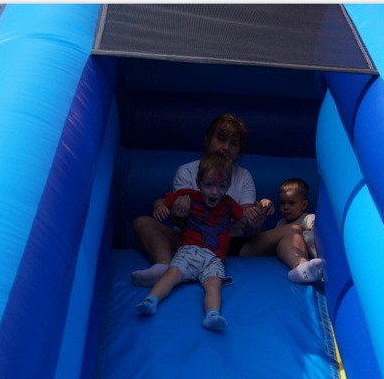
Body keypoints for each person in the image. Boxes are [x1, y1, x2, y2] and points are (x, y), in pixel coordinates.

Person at [131, 113, 323, 287]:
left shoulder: (243, 176)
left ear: (239, 149)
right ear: (208, 139)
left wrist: (255, 221)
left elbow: (247, 223)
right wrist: (178, 215)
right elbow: (181, 220)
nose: (225, 148)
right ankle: (163, 265)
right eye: (221, 139)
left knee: (293, 229)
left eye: (233, 144)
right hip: (190, 242)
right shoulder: (187, 171)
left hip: (233, 243)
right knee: (142, 222)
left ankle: (301, 268)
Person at [136, 152, 245, 331]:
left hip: (215, 258)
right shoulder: (189, 196)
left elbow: (244, 218)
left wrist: (256, 211)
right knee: (172, 274)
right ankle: (151, 300)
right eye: (208, 185)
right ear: (198, 183)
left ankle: (212, 315)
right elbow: (162, 200)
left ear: (228, 185)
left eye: (221, 186)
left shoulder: (228, 204)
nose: (215, 192)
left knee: (214, 284)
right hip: (189, 250)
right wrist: (160, 205)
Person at [275, 177, 318, 259]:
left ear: (304, 205)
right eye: (282, 203)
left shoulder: (309, 219)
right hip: (293, 255)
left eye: (291, 203)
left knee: (308, 236)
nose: (286, 207)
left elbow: (318, 239)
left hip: (312, 254)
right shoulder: (281, 224)